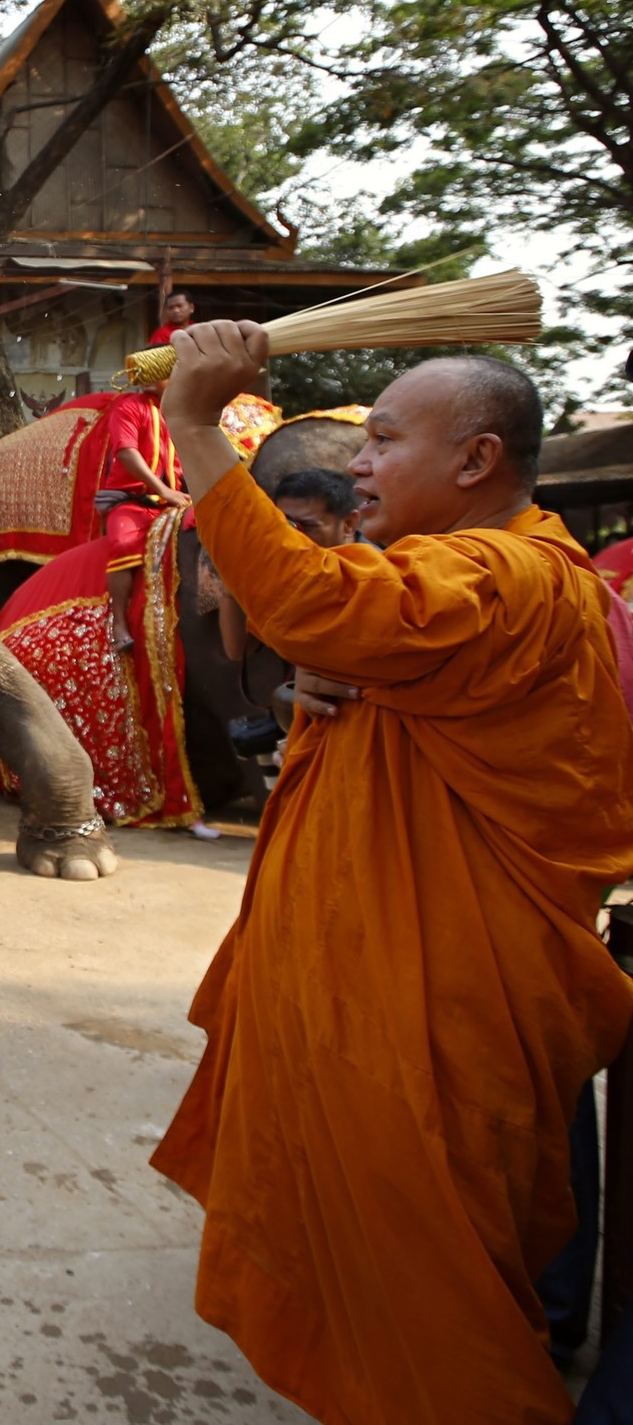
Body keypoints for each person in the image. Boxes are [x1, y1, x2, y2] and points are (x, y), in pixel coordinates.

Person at [151, 322, 633, 1425]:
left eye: (380, 439)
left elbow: (318, 606)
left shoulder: (513, 572)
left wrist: (191, 423)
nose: (356, 462)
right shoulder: (442, 579)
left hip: (444, 982)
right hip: (377, 965)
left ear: (474, 461)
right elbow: (358, 640)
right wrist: (310, 688)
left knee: (432, 1247)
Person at [217, 467, 362, 664]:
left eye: (308, 526)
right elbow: (239, 650)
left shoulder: (374, 572)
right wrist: (232, 584)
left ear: (349, 524)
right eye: (285, 525)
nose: (292, 539)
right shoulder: (278, 561)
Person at [97, 384, 188, 651]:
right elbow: (126, 452)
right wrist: (163, 490)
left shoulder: (182, 409)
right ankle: (119, 622)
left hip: (177, 499)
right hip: (131, 500)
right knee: (124, 544)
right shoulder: (128, 407)